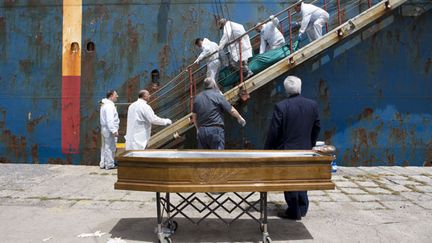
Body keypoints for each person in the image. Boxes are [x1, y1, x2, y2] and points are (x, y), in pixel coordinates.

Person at [264, 76, 320, 220]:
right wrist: (311, 143)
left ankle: (293, 211)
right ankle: (302, 207)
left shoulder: (281, 106)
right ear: (300, 88)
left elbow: (274, 131)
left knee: (289, 180)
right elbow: (317, 127)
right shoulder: (312, 105)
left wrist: (268, 149)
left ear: (286, 90)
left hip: (287, 150)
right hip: (305, 150)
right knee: (302, 178)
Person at [192, 78, 246, 149]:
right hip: (215, 130)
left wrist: (198, 129)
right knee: (217, 156)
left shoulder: (197, 98)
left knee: (203, 158)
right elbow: (231, 110)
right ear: (214, 85)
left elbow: (194, 116)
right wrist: (239, 117)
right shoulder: (217, 96)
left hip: (202, 131)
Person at [100, 90, 120, 170]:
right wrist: (114, 130)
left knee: (105, 147)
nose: (117, 96)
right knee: (110, 147)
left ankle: (104, 163)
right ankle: (110, 164)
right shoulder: (109, 106)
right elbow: (110, 120)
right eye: (116, 95)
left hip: (105, 129)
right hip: (109, 129)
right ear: (111, 96)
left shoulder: (105, 105)